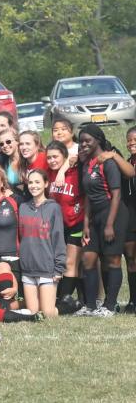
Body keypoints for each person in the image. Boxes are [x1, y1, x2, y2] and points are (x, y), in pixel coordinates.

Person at [76, 123, 129, 317]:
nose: (83, 144)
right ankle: (90, 305)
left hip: (113, 214)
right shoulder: (87, 164)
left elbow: (116, 195)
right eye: (81, 141)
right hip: (95, 216)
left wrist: (109, 225)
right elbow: (88, 196)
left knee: (112, 260)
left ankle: (110, 305)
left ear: (98, 140)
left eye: (87, 140)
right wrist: (86, 224)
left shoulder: (108, 162)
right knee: (88, 258)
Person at [19, 169, 66, 318]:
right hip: (28, 268)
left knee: (47, 314)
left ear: (46, 184)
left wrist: (59, 268)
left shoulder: (54, 208)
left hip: (47, 268)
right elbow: (21, 237)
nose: (33, 186)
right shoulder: (23, 208)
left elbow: (58, 238)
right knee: (33, 314)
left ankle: (67, 307)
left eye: (37, 182)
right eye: (30, 182)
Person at [46, 140, 84, 312]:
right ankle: (65, 298)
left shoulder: (77, 171)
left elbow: (77, 157)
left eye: (56, 157)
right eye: (49, 158)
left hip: (76, 223)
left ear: (64, 156)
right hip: (58, 226)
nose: (52, 160)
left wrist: (64, 169)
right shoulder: (48, 173)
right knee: (59, 263)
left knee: (71, 262)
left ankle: (65, 299)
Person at [121, 126, 136, 312]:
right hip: (130, 219)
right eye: (129, 140)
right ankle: (133, 300)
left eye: (135, 139)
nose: (132, 143)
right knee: (131, 260)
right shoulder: (126, 164)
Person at [0, 129, 24, 193]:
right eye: (1, 144)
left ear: (17, 141)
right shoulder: (3, 162)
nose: (5, 145)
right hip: (14, 198)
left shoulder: (26, 158)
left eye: (8, 142)